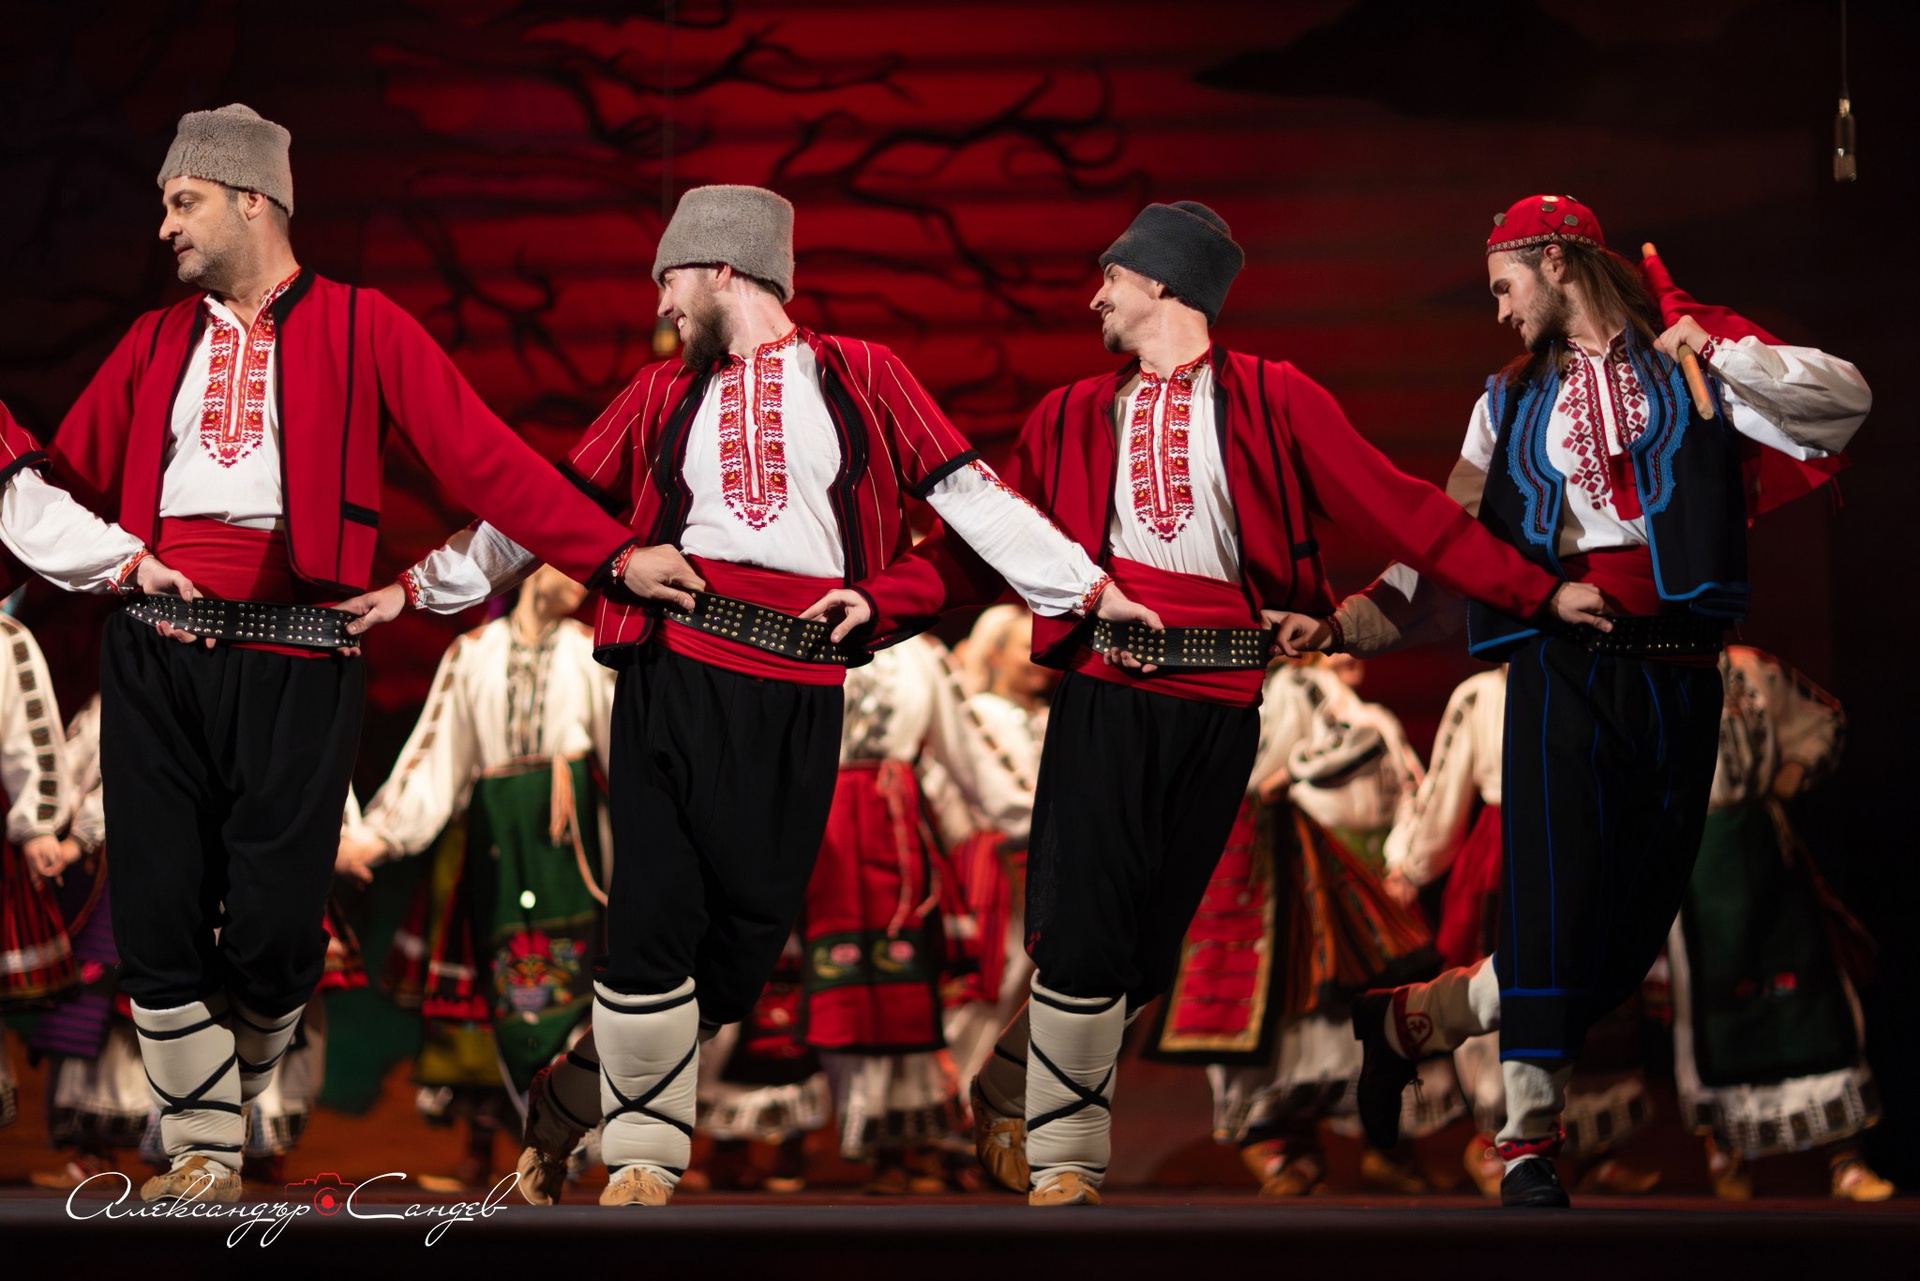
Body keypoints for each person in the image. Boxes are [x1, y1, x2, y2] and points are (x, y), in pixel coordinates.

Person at [349, 184, 1157, 1207]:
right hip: (674, 669)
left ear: (723, 268)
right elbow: (542, 507)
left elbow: (970, 496)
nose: (661, 303)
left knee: (740, 954)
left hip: (796, 685)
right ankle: (643, 1156)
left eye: (670, 279)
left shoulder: (862, 372)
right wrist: (418, 589)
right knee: (653, 919)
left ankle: (572, 1092)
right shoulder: (657, 392)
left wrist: (1087, 589)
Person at [829, 199, 1608, 1206]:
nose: (1095, 298)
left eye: (1111, 277)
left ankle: (1015, 1079)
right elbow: (988, 550)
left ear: (1162, 282)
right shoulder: (1069, 414)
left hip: (1223, 700)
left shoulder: (1274, 397)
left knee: (1149, 951)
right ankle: (1067, 1157)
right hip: (1110, 687)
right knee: (1085, 929)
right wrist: (881, 601)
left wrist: (1534, 592)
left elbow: (1402, 509)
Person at [40, 103, 651, 1204]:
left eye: (184, 202)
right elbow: (54, 482)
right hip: (158, 650)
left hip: (301, 654)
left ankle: (222, 1104)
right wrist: (100, 558)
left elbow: (491, 463)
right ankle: (203, 1149)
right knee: (159, 910)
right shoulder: (151, 342)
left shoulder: (368, 327)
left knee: (281, 933)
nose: (165, 227)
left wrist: (612, 555)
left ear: (253, 201)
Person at [1305, 194, 1871, 1207]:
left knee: (1624, 939)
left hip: (1682, 670)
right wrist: (1349, 622)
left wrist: (1719, 351)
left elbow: (1844, 405)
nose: (1498, 310)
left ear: (1558, 263)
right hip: (1563, 663)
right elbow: (1448, 542)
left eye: (1504, 285)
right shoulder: (1507, 399)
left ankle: (1410, 1021)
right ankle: (1528, 1144)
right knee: (1551, 898)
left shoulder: (1693, 370)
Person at [1147, 660, 1452, 1198]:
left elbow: (1368, 750)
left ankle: (1350, 1143)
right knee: (1291, 997)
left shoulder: (1316, 690)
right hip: (1268, 852)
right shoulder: (1280, 684)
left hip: (1306, 855)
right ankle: (1292, 1145)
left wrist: (1289, 774)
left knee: (1320, 994)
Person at [1671, 647, 1890, 1202]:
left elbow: (1825, 717)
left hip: (1766, 848)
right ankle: (1725, 1153)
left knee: (1810, 995)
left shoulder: (1752, 668)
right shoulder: (1646, 670)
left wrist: (1791, 773)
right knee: (1714, 1008)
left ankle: (1844, 1158)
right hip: (1695, 862)